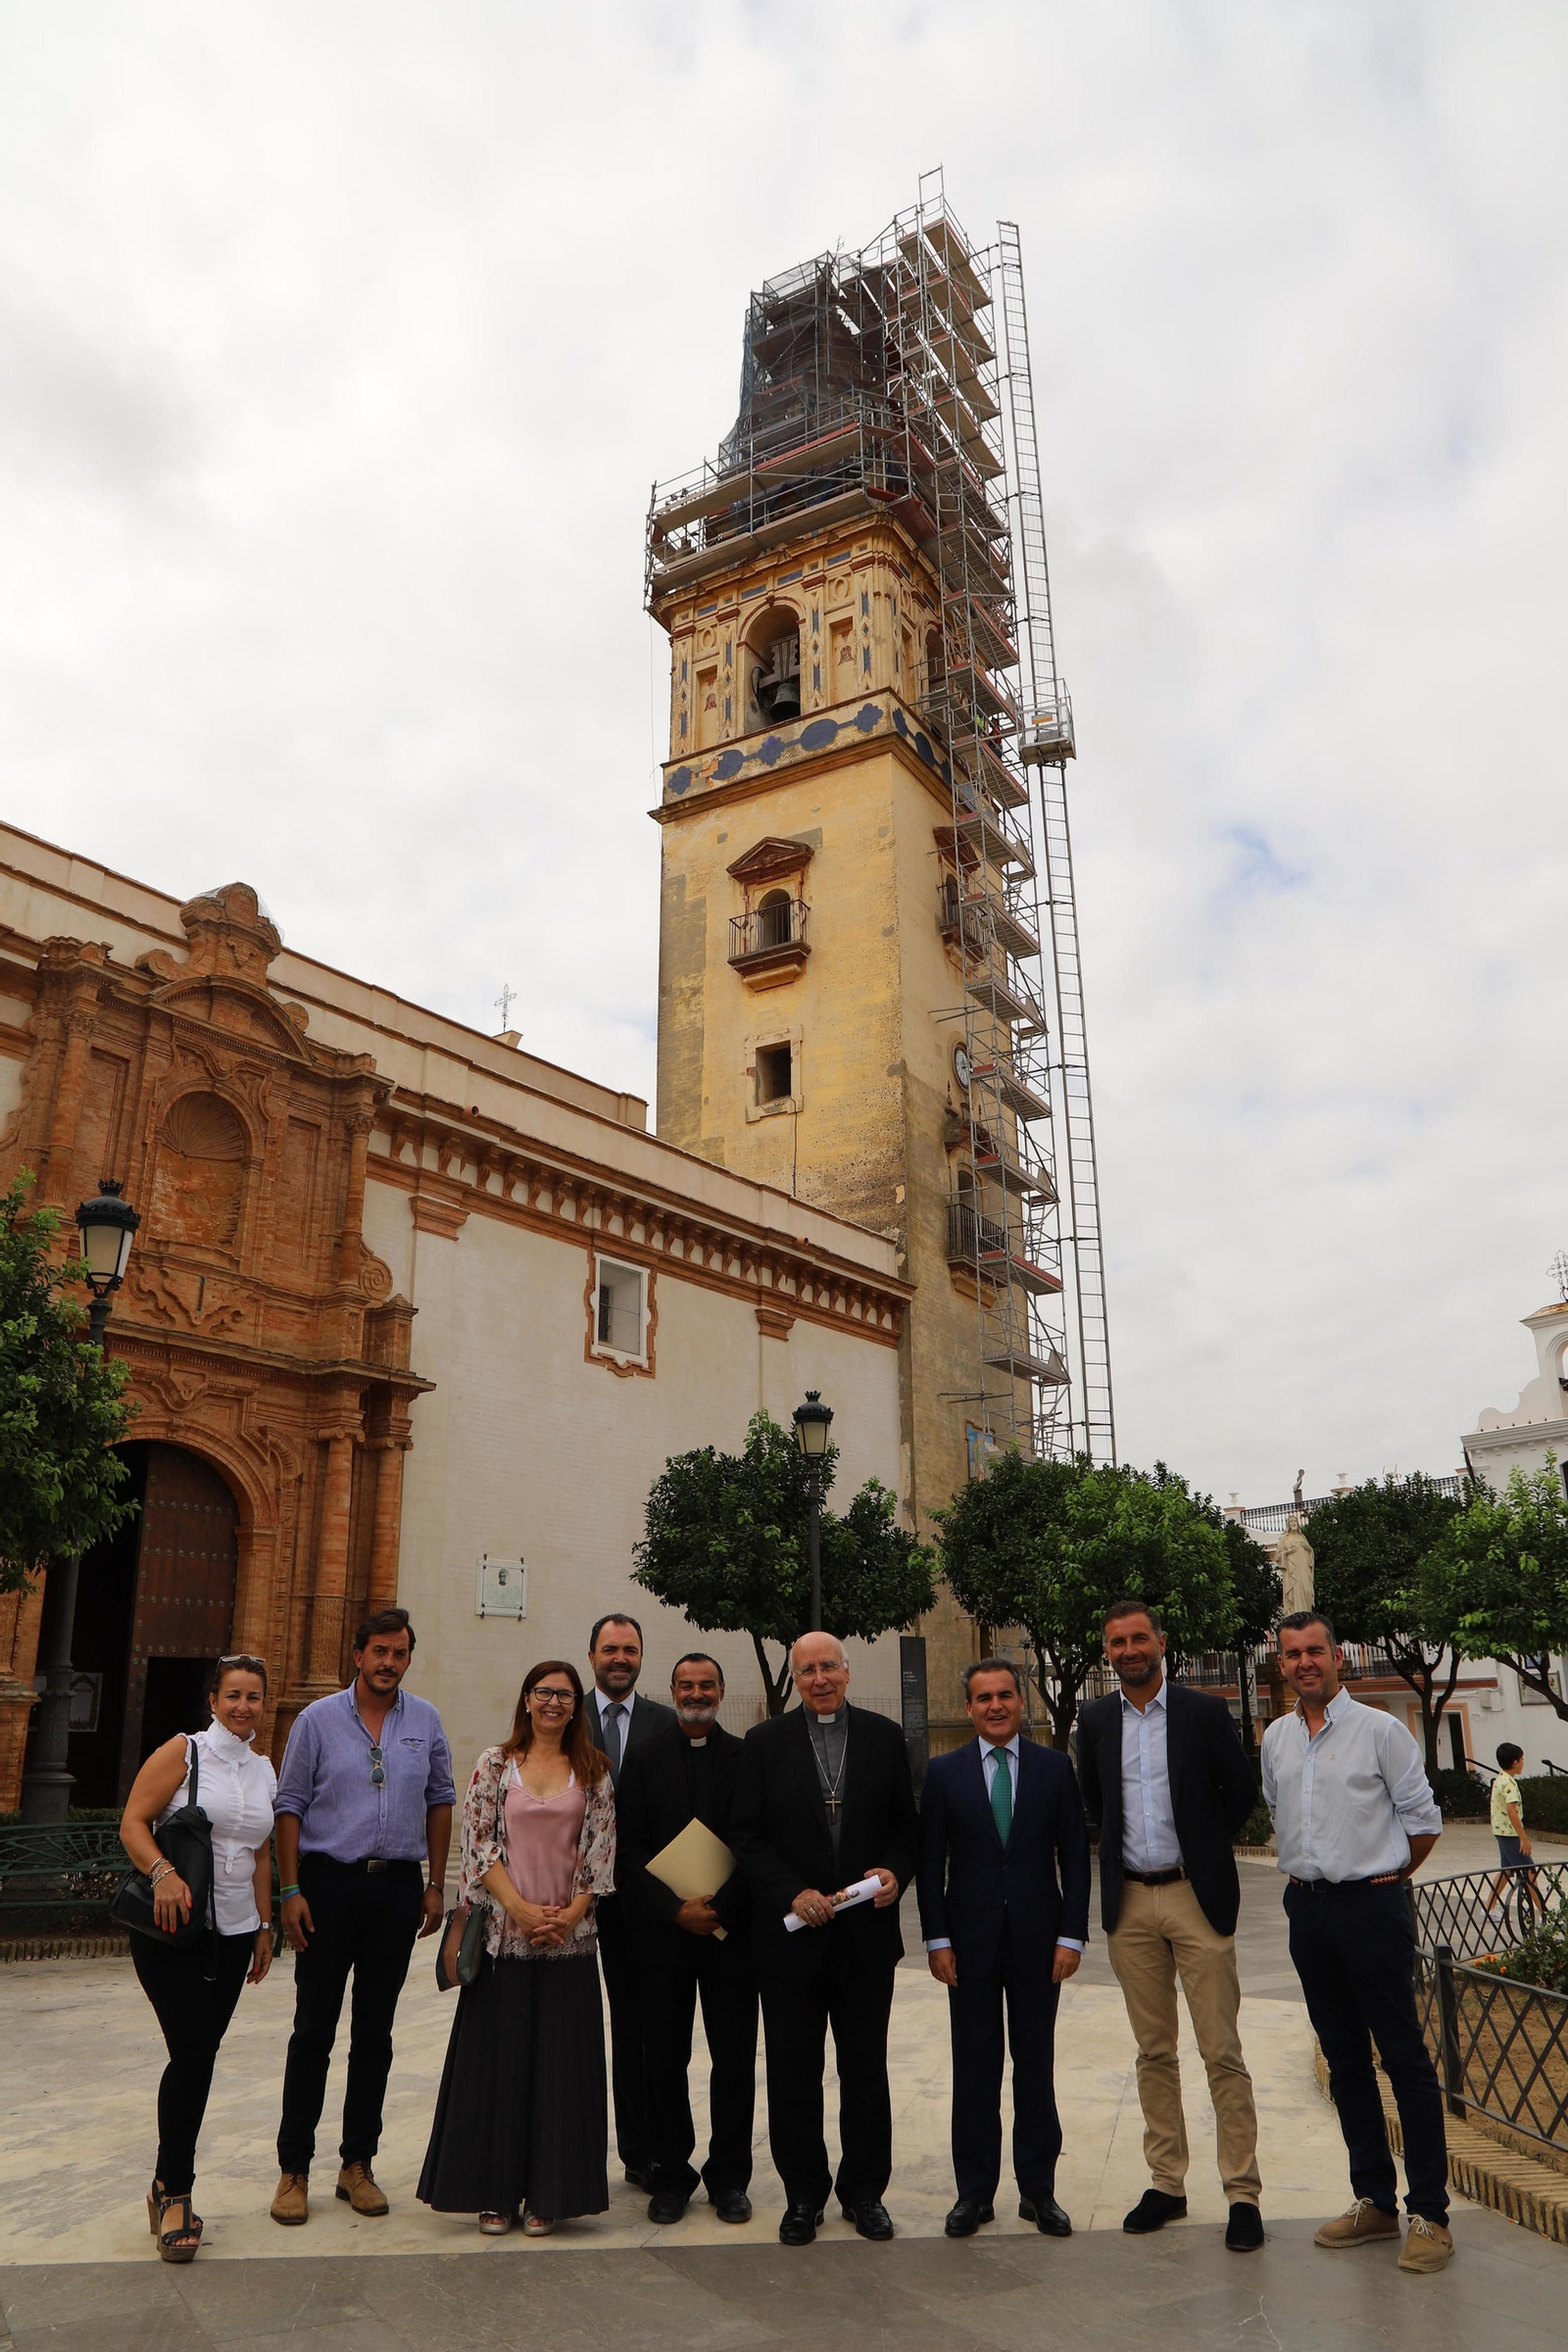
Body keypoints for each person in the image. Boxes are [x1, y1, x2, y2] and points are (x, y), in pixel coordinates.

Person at [1261, 1609, 1451, 2275]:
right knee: (1344, 2060)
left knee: (1403, 2058)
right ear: (1280, 1663)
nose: (1305, 1663)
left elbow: (1423, 1824)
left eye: (1316, 1651)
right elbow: (1277, 1812)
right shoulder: (1277, 1738)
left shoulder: (1381, 1731)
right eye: (1293, 1654)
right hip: (1307, 1910)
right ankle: (1373, 2200)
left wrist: (1385, 1880)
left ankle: (1430, 2212)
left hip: (1371, 1906)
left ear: (1337, 1657)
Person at [1075, 1598, 1264, 2252]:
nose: (1128, 1650)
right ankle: (1168, 2184)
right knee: (1154, 2052)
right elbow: (1095, 1801)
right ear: (1107, 1651)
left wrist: (1207, 1846)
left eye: (1138, 1639)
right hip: (1129, 1904)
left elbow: (1239, 1792)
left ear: (1161, 1642)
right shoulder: (1094, 1719)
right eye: (1116, 1642)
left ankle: (1242, 2191)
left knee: (1221, 2052)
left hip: (1194, 1897)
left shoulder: (1203, 1713)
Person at [730, 1630, 919, 2245]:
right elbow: (747, 1836)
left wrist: (895, 1872)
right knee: (793, 2071)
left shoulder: (884, 1738)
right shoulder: (763, 1744)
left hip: (865, 1938)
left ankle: (864, 2193)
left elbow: (904, 1828)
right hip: (790, 1942)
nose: (819, 1679)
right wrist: (792, 1892)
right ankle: (803, 2195)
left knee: (865, 2070)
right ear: (796, 1677)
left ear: (847, 1671)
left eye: (829, 1667)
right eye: (807, 1670)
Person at [270, 1606, 455, 2226]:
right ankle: (293, 2169)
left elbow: (440, 1799)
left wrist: (434, 1884)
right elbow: (290, 1804)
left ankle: (357, 2165)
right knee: (313, 2032)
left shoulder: (424, 1720)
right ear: (358, 1655)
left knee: (374, 2034)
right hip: (326, 1886)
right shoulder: (317, 1720)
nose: (388, 1663)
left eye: (399, 1653)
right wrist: (290, 1888)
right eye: (378, 1651)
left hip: (396, 1890)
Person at [417, 1659, 616, 2235]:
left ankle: (551, 2194)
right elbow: (478, 1849)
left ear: (577, 1705)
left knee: (561, 2071)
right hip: (506, 1939)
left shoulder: (595, 1770)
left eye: (565, 1694)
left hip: (570, 1942)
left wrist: (568, 1914)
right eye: (544, 1692)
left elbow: (601, 1856)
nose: (554, 1702)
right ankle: (496, 2194)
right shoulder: (494, 1765)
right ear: (526, 1699)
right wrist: (524, 1912)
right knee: (499, 2069)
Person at [917, 1658, 1089, 2239]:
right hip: (967, 1950)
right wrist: (937, 1939)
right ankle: (974, 2193)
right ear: (968, 1707)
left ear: (1022, 1702)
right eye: (983, 1697)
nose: (995, 1706)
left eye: (1005, 1696)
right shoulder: (943, 1774)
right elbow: (929, 1863)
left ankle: (1038, 2190)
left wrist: (1071, 1935)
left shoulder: (1053, 1768)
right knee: (975, 2071)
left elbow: (1074, 1857)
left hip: (1042, 1948)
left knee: (1035, 2069)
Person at [120, 1654, 277, 2262]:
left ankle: (164, 2186)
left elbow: (260, 1854)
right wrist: (161, 1871)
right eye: (233, 1695)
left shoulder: (264, 1768)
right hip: (172, 1929)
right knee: (192, 2052)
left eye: (254, 1697)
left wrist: (263, 1926)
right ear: (213, 1699)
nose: (243, 1706)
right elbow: (133, 1820)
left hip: (235, 1935)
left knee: (201, 2056)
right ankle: (176, 2192)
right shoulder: (184, 1752)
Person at [616, 1651, 758, 2226]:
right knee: (663, 2061)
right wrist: (675, 1910)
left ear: (721, 1692)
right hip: (664, 1938)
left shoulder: (746, 1758)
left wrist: (718, 1908)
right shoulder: (645, 1758)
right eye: (686, 1685)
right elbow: (628, 1848)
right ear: (672, 1690)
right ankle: (670, 2174)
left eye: (706, 1685)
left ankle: (729, 2178)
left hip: (730, 1936)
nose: (696, 1694)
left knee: (734, 2062)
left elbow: (756, 1842)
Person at [584, 1611, 675, 2191]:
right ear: (592, 1655)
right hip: (569, 1901)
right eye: (611, 1649)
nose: (621, 1658)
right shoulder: (563, 1717)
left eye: (631, 1650)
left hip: (641, 1902)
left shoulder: (666, 1723)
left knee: (642, 2027)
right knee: (572, 2026)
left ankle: (643, 2151)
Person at [1487, 1744, 1540, 1921]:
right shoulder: (1509, 1783)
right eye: (1522, 1760)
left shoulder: (1499, 1778)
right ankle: (1544, 1914)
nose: (1523, 1763)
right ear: (1515, 1762)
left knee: (1507, 1870)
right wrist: (1523, 1838)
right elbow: (1512, 1810)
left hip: (1500, 1831)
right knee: (1529, 1871)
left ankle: (1489, 1907)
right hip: (1510, 1834)